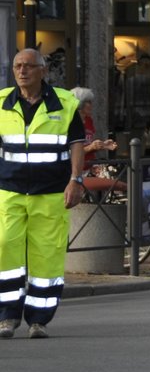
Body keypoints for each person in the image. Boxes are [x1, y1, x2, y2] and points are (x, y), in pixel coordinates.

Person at [0, 49, 88, 339]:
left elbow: (76, 143)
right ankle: (6, 317)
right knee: (4, 252)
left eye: (28, 66)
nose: (22, 71)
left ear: (43, 70)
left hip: (51, 193)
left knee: (46, 256)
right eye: (17, 66)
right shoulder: (1, 103)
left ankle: (39, 319)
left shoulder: (64, 103)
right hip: (8, 191)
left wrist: (76, 180)